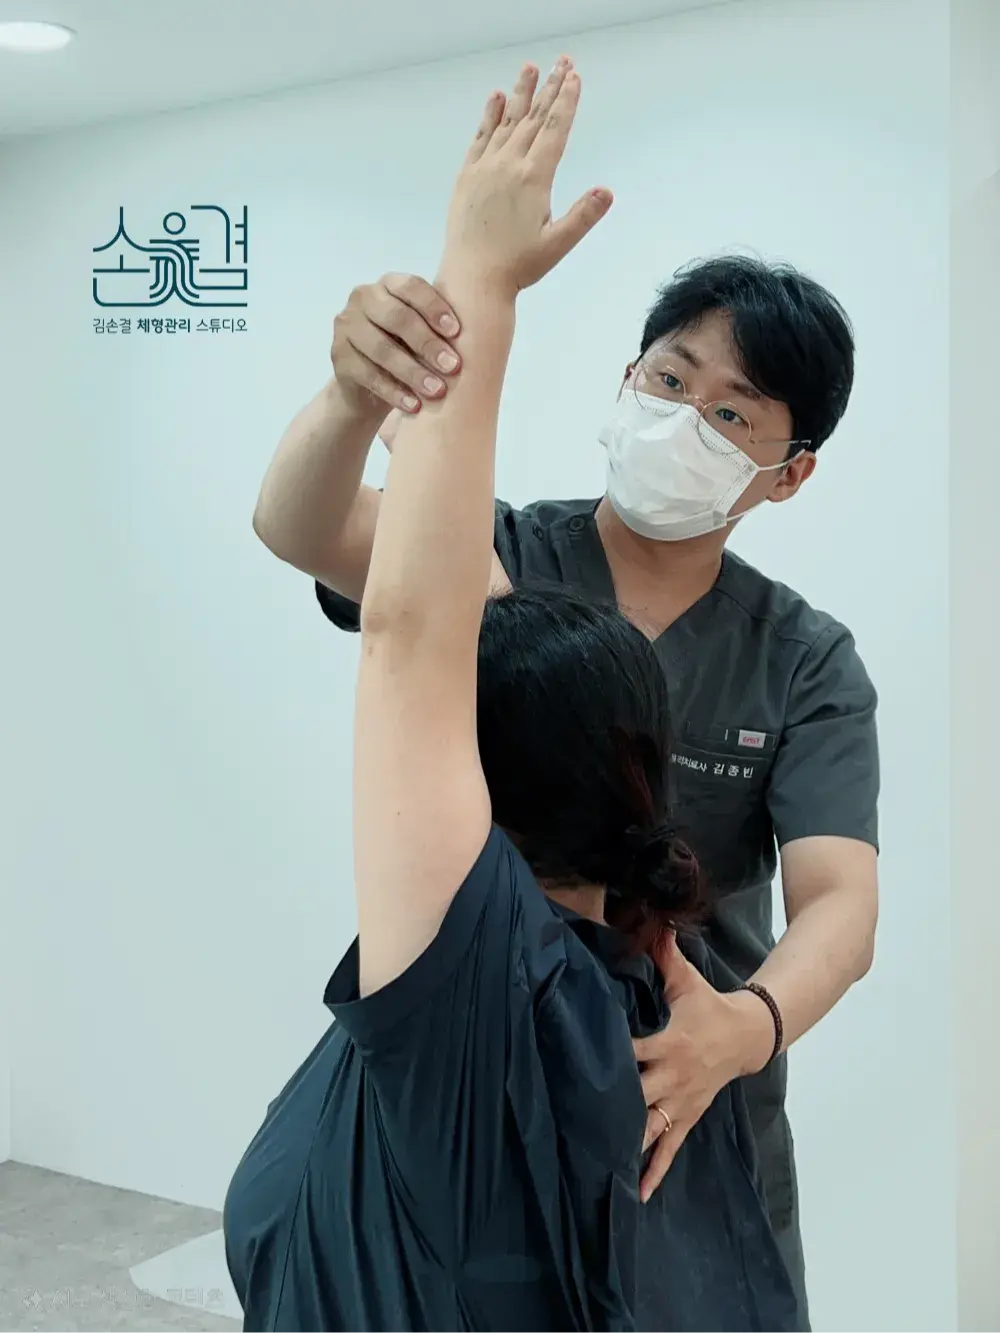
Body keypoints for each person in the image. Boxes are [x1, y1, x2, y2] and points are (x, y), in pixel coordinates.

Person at [251, 64, 880, 1332]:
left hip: (684, 1097)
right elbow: (304, 528)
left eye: (731, 413)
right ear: (628, 374)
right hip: (480, 1072)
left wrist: (743, 1028)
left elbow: (839, 906)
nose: (684, 419)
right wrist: (358, 392)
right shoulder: (501, 555)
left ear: (788, 471)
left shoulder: (801, 655)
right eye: (670, 380)